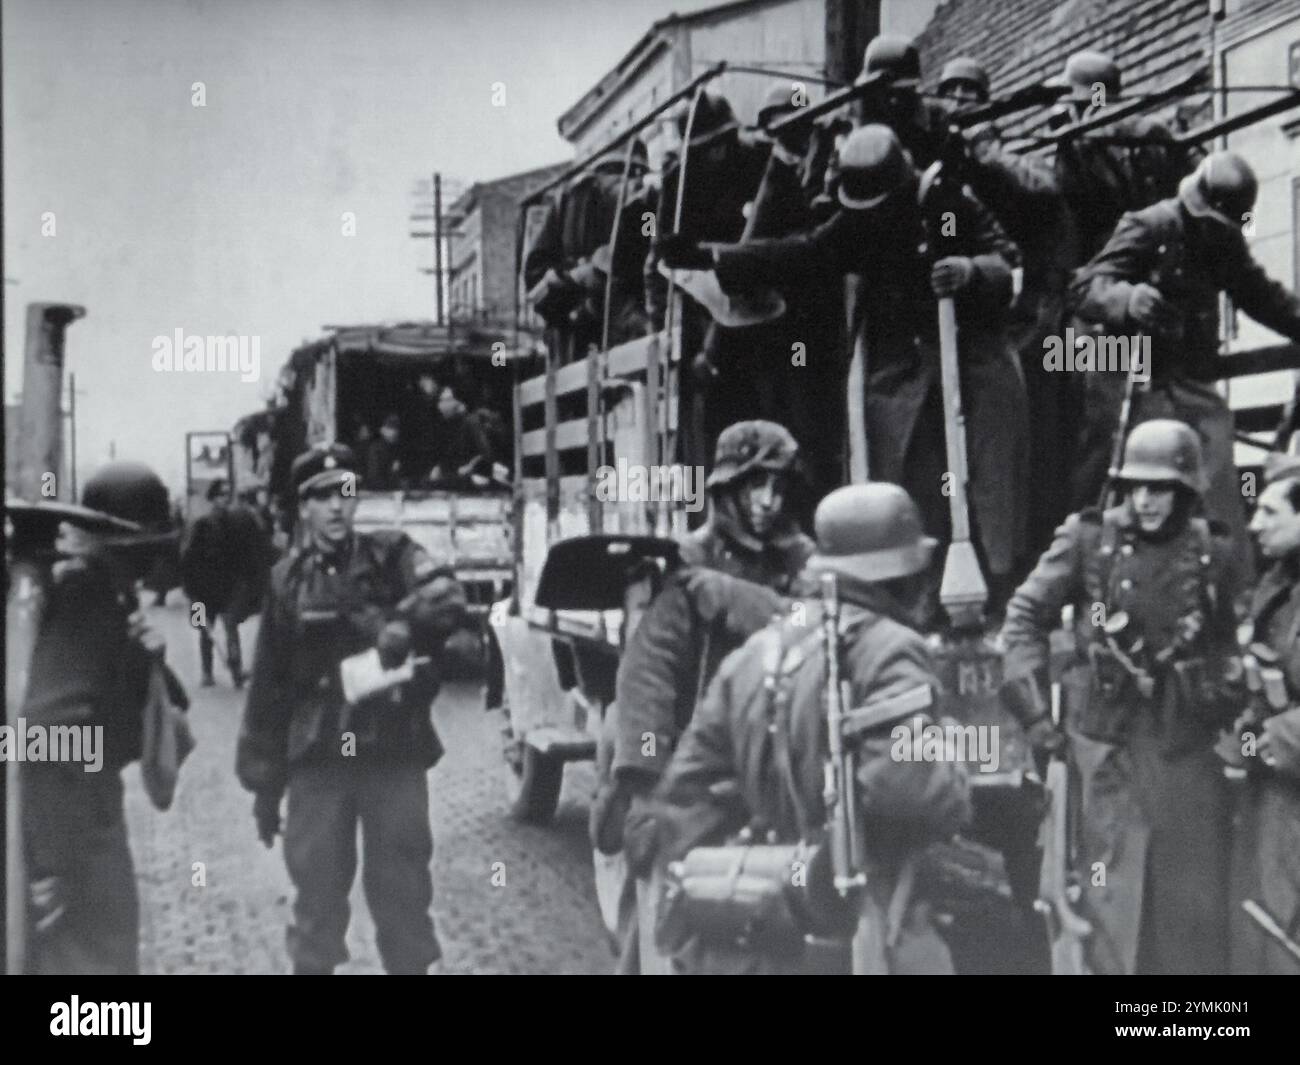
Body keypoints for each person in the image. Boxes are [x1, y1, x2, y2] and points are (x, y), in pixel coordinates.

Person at [658, 124, 1029, 609]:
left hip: (972, 359)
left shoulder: (945, 201)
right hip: (904, 376)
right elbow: (800, 253)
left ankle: (1000, 590)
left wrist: (971, 271)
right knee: (907, 485)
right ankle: (918, 597)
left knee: (993, 480)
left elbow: (1010, 263)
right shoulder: (856, 223)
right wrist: (712, 256)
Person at [649, 483, 972, 974]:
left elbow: (684, 789)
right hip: (869, 922)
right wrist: (953, 771)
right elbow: (909, 788)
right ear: (903, 574)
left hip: (767, 925)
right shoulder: (891, 650)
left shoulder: (757, 651)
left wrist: (738, 881)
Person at [1000, 420, 1243, 974]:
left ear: (1186, 490)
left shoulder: (1215, 550)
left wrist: (1223, 690)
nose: (1145, 500)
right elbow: (1022, 619)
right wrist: (1037, 717)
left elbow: (1232, 636)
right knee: (1108, 911)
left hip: (1186, 757)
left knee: (1193, 925)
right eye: (1135, 487)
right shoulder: (1090, 539)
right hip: (1106, 757)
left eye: (1159, 488)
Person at [235, 443, 468, 975]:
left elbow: (450, 597)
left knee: (404, 898)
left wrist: (405, 624)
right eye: (321, 497)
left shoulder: (393, 555)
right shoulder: (285, 581)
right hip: (319, 762)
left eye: (344, 493)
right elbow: (269, 687)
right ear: (303, 508)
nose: (336, 507)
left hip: (391, 752)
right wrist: (264, 787)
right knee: (316, 905)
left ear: (356, 499)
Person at [595, 420, 815, 972]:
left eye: (779, 486)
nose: (769, 501)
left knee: (777, 923)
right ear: (728, 490)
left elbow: (825, 630)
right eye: (755, 485)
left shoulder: (799, 559)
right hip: (690, 776)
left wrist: (745, 600)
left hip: (773, 774)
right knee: (664, 931)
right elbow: (646, 677)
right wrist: (647, 781)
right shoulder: (683, 562)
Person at [1068, 150, 1300, 558]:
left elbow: (1260, 295)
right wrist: (1126, 297)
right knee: (1137, 478)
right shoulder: (1151, 225)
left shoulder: (1224, 242)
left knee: (1218, 476)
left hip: (1191, 378)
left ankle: (1232, 586)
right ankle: (1109, 572)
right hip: (1134, 377)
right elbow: (1085, 287)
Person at [20, 461, 183, 974]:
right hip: (76, 836)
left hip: (86, 821)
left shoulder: (109, 598)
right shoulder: (86, 599)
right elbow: (41, 736)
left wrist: (147, 660)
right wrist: (55, 864)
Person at [936, 57, 1082, 563]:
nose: (957, 100)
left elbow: (1040, 191)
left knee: (1029, 455)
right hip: (954, 327)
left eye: (968, 92)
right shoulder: (937, 163)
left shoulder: (1008, 156)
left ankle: (1025, 564)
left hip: (1027, 329)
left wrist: (984, 148)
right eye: (948, 91)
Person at [1230, 457, 1300, 974]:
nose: (1254, 525)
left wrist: (1262, 740)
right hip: (1276, 794)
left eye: (1270, 513)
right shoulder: (1277, 583)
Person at [180, 478, 266, 688]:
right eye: (220, 496)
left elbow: (247, 553)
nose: (224, 500)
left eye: (228, 495)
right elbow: (187, 557)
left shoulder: (237, 522)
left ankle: (236, 673)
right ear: (212, 499)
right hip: (202, 589)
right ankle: (207, 673)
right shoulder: (200, 524)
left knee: (230, 626)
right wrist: (190, 590)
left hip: (227, 586)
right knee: (203, 628)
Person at [428, 384, 493, 488]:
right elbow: (449, 457)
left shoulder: (471, 421)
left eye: (448, 400)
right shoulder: (449, 426)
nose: (443, 405)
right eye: (441, 401)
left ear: (460, 403)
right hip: (458, 479)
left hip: (477, 479)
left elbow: (486, 453)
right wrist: (439, 468)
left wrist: (470, 466)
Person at [365, 414, 404, 491]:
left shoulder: (397, 449)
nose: (394, 432)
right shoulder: (376, 449)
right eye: (390, 428)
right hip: (376, 496)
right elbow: (373, 478)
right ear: (382, 430)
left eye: (396, 428)